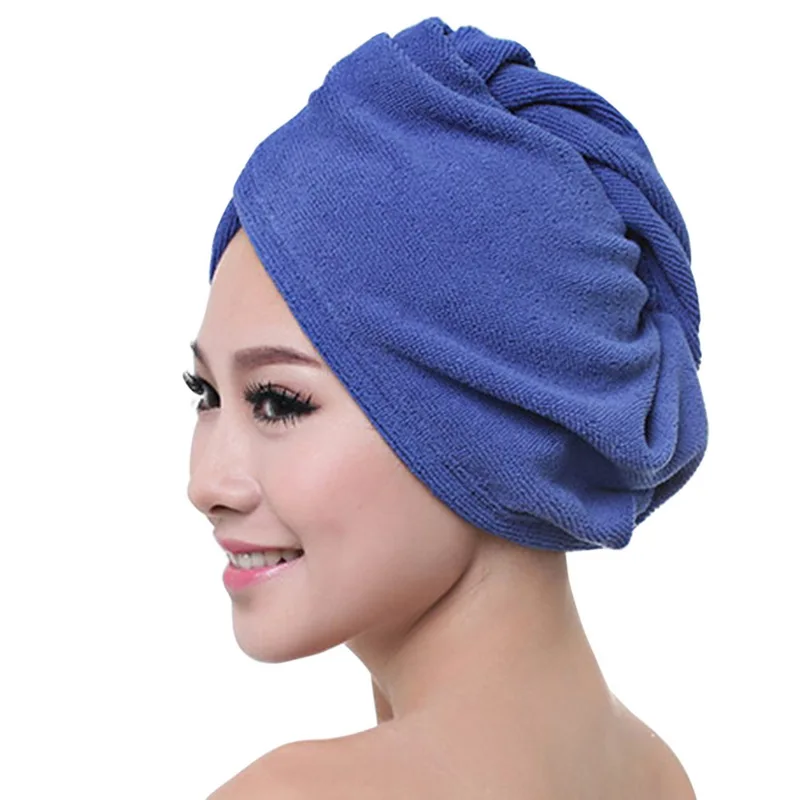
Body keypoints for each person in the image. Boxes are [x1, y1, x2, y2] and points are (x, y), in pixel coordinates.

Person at [185, 16, 707, 799]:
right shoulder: (657, 776)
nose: (205, 485)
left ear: (503, 419)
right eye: (205, 394)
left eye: (279, 401)